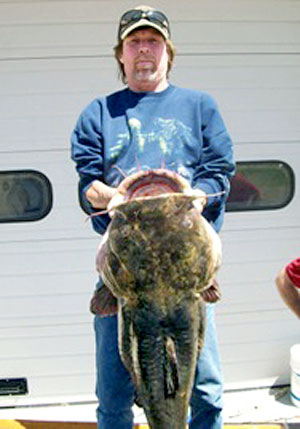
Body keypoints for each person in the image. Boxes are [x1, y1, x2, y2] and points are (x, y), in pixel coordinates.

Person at [71, 5, 235, 428]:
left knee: (206, 390)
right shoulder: (98, 113)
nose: (144, 50)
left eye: (153, 42)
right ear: (120, 55)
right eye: (134, 43)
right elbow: (87, 185)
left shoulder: (200, 107)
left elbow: (219, 176)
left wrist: (195, 197)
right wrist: (109, 195)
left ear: (168, 53)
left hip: (189, 281)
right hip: (126, 280)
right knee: (113, 395)